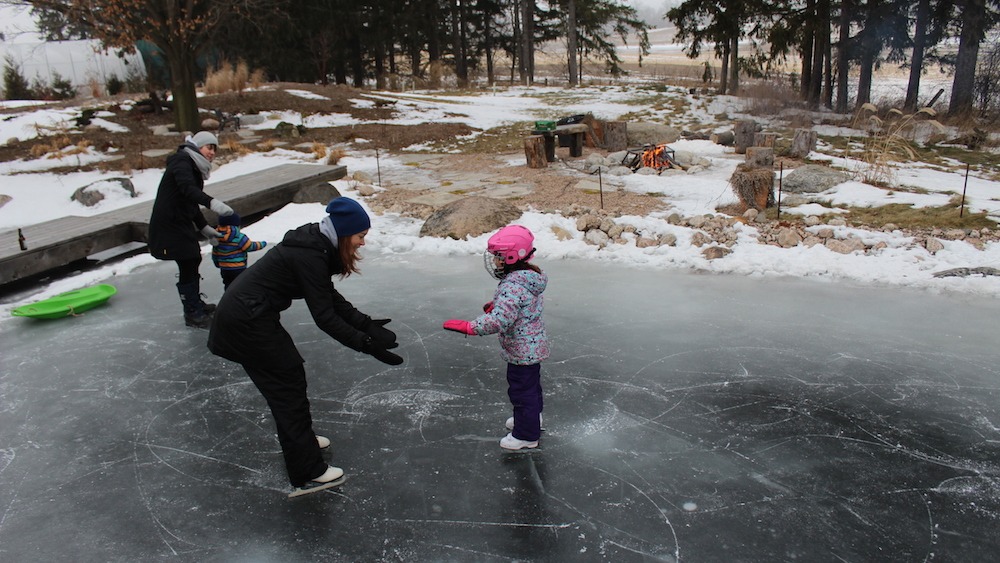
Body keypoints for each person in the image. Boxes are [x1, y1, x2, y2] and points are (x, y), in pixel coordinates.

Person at [207, 197, 404, 497]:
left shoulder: (315, 245)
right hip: (246, 323)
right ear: (343, 233)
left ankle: (304, 445)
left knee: (288, 383)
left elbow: (328, 297)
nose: (363, 243)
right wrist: (367, 344)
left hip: (248, 317)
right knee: (287, 386)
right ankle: (307, 471)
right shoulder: (310, 253)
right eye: (361, 236)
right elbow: (324, 317)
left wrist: (366, 324)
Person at [443, 225, 549, 450]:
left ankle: (526, 435)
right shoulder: (530, 277)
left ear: (512, 257)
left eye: (499, 258)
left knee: (521, 391)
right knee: (532, 387)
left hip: (521, 349)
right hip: (532, 345)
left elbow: (499, 321)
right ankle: (532, 419)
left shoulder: (512, 286)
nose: (495, 262)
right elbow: (522, 305)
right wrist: (498, 305)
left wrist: (471, 327)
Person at [148, 130, 234, 329]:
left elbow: (189, 201)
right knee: (188, 260)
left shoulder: (193, 165)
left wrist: (204, 227)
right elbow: (188, 190)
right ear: (198, 146)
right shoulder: (182, 161)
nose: (212, 152)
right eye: (209, 147)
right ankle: (192, 312)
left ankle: (195, 305)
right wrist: (212, 203)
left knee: (192, 259)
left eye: (215, 149)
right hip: (169, 224)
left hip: (179, 221)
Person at [211, 211, 267, 290]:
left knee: (228, 285)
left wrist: (217, 263)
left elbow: (215, 253)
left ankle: (229, 299)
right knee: (241, 285)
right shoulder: (239, 237)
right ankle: (241, 300)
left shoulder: (217, 237)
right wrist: (262, 244)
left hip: (224, 269)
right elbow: (250, 246)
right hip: (238, 268)